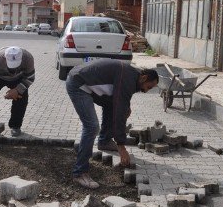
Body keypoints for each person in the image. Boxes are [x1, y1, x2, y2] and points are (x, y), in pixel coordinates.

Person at [66, 59, 159, 189]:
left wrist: (126, 107)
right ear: (143, 78)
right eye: (149, 87)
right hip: (79, 84)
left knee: (113, 106)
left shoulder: (134, 76)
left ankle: (104, 141)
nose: (147, 90)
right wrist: (121, 147)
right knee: (92, 127)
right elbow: (120, 112)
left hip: (86, 80)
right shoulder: (128, 77)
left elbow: (121, 99)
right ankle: (80, 172)